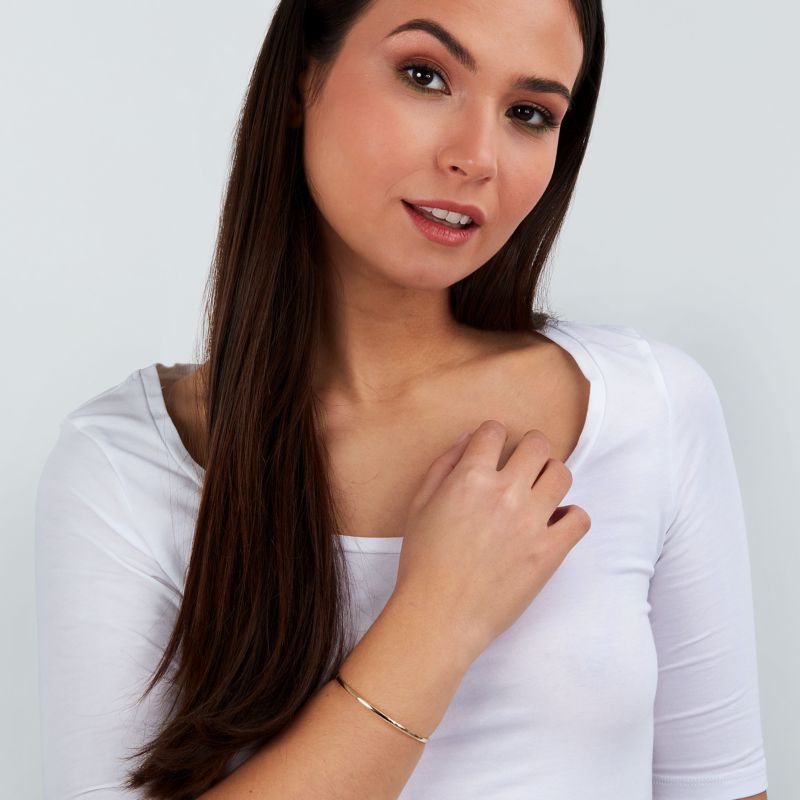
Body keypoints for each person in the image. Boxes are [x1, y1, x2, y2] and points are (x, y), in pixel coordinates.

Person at [34, 0, 770, 798]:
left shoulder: (652, 409)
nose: (476, 157)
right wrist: (438, 619)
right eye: (425, 75)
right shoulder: (127, 466)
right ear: (302, 76)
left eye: (529, 113)